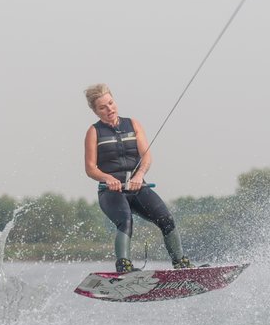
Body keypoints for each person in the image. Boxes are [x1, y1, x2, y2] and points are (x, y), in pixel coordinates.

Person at [83, 83, 193, 273]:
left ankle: (180, 263)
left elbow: (146, 157)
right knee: (125, 221)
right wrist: (107, 178)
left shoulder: (133, 124)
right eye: (102, 107)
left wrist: (140, 175)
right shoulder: (94, 132)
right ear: (95, 111)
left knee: (166, 219)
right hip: (111, 192)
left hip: (137, 187)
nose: (109, 109)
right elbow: (90, 168)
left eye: (111, 103)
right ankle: (124, 266)